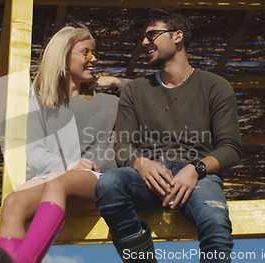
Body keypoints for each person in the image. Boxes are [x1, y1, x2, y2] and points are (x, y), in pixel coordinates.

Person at [95, 8, 243, 263]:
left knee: (216, 226)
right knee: (108, 185)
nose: (144, 42)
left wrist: (196, 169)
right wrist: (141, 163)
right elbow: (122, 145)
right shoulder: (135, 91)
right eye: (144, 37)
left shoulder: (216, 86)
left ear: (177, 36)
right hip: (149, 178)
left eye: (152, 34)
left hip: (198, 177)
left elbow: (231, 147)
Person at [0, 25, 128, 263]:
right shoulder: (38, 104)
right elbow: (33, 151)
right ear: (63, 57)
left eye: (94, 53)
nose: (95, 59)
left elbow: (152, 97)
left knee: (56, 181)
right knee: (13, 202)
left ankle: (24, 260)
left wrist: (115, 82)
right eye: (87, 52)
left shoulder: (108, 98)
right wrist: (67, 165)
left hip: (102, 180)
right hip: (58, 180)